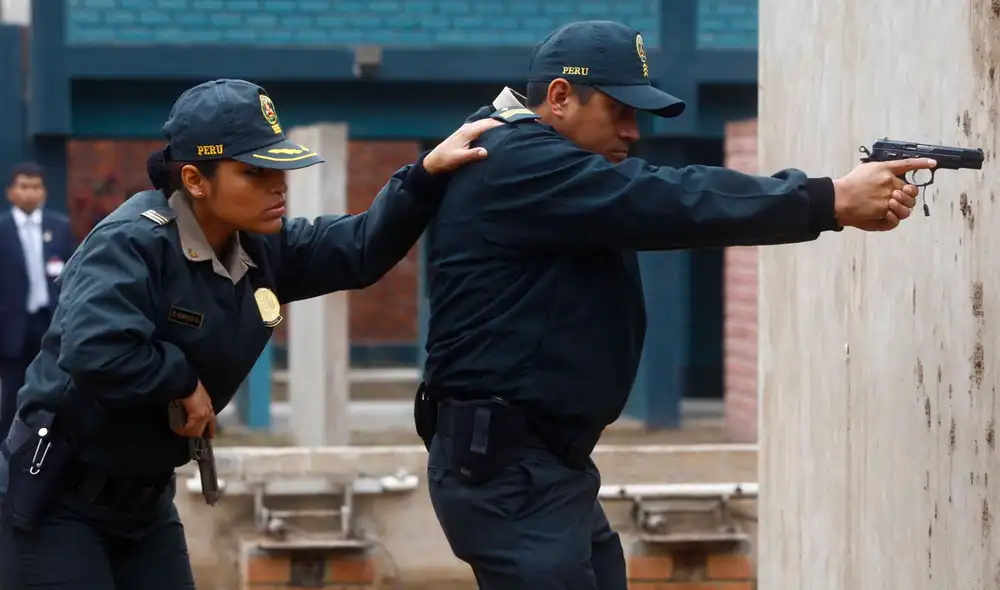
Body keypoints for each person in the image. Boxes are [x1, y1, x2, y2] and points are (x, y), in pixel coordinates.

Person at [415, 20, 936, 590]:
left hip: (540, 465)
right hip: (507, 470)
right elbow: (666, 199)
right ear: (561, 97)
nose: (633, 132)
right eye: (620, 110)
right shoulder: (516, 158)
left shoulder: (527, 158)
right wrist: (829, 198)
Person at [0, 78, 500, 589]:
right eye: (254, 173)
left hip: (144, 504)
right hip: (58, 501)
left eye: (279, 169)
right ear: (195, 180)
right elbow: (95, 347)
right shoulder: (132, 243)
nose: (277, 185)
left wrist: (425, 176)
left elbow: (360, 247)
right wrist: (180, 383)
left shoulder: (261, 247)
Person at [0, 162, 77, 441]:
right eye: (24, 186)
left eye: (36, 187)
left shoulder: (59, 227)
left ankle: (46, 448)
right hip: (12, 326)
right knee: (11, 395)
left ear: (43, 191)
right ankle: (8, 455)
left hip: (50, 323)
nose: (30, 193)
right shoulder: (3, 229)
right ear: (11, 192)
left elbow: (73, 272)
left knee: (54, 388)